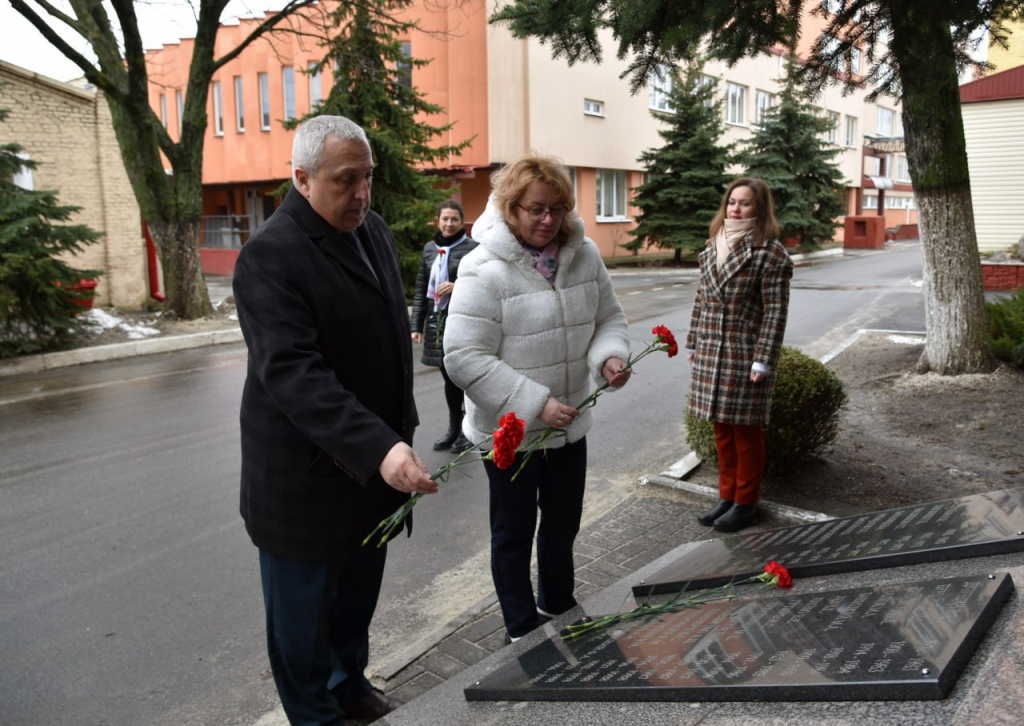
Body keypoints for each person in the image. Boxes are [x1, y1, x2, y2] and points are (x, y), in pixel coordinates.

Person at [232, 115, 437, 726]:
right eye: (346, 180)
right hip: (305, 482)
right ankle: (314, 713)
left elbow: (383, 338)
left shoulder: (369, 229)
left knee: (355, 601)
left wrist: (398, 433)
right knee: (302, 623)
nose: (363, 194)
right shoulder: (269, 258)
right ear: (301, 178)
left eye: (368, 178)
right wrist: (382, 446)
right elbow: (296, 375)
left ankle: (350, 686)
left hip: (372, 470)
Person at [443, 155, 631, 642]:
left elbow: (608, 318)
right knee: (514, 533)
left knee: (563, 523)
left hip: (569, 425)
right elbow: (463, 355)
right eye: (535, 209)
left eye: (557, 209)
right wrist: (532, 403)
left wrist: (609, 357)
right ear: (510, 209)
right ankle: (521, 626)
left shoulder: (584, 254)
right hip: (511, 432)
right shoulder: (483, 269)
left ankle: (558, 604)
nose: (548, 220)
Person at [685, 176, 793, 533]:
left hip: (744, 355)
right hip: (712, 350)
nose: (736, 208)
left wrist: (763, 358)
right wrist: (694, 342)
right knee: (721, 431)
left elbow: (775, 311)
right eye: (732, 202)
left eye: (744, 203)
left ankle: (746, 503)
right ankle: (727, 497)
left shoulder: (769, 253)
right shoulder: (713, 244)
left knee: (746, 434)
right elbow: (702, 298)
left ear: (759, 208)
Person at [410, 200, 479, 453]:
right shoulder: (430, 249)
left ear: (462, 222)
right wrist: (415, 324)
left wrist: (457, 285)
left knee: (460, 377)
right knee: (448, 379)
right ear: (438, 221)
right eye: (445, 219)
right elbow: (421, 288)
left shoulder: (473, 248)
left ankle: (468, 429)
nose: (449, 224)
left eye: (454, 219)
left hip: (462, 320)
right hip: (436, 321)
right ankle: (454, 429)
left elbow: (484, 284)